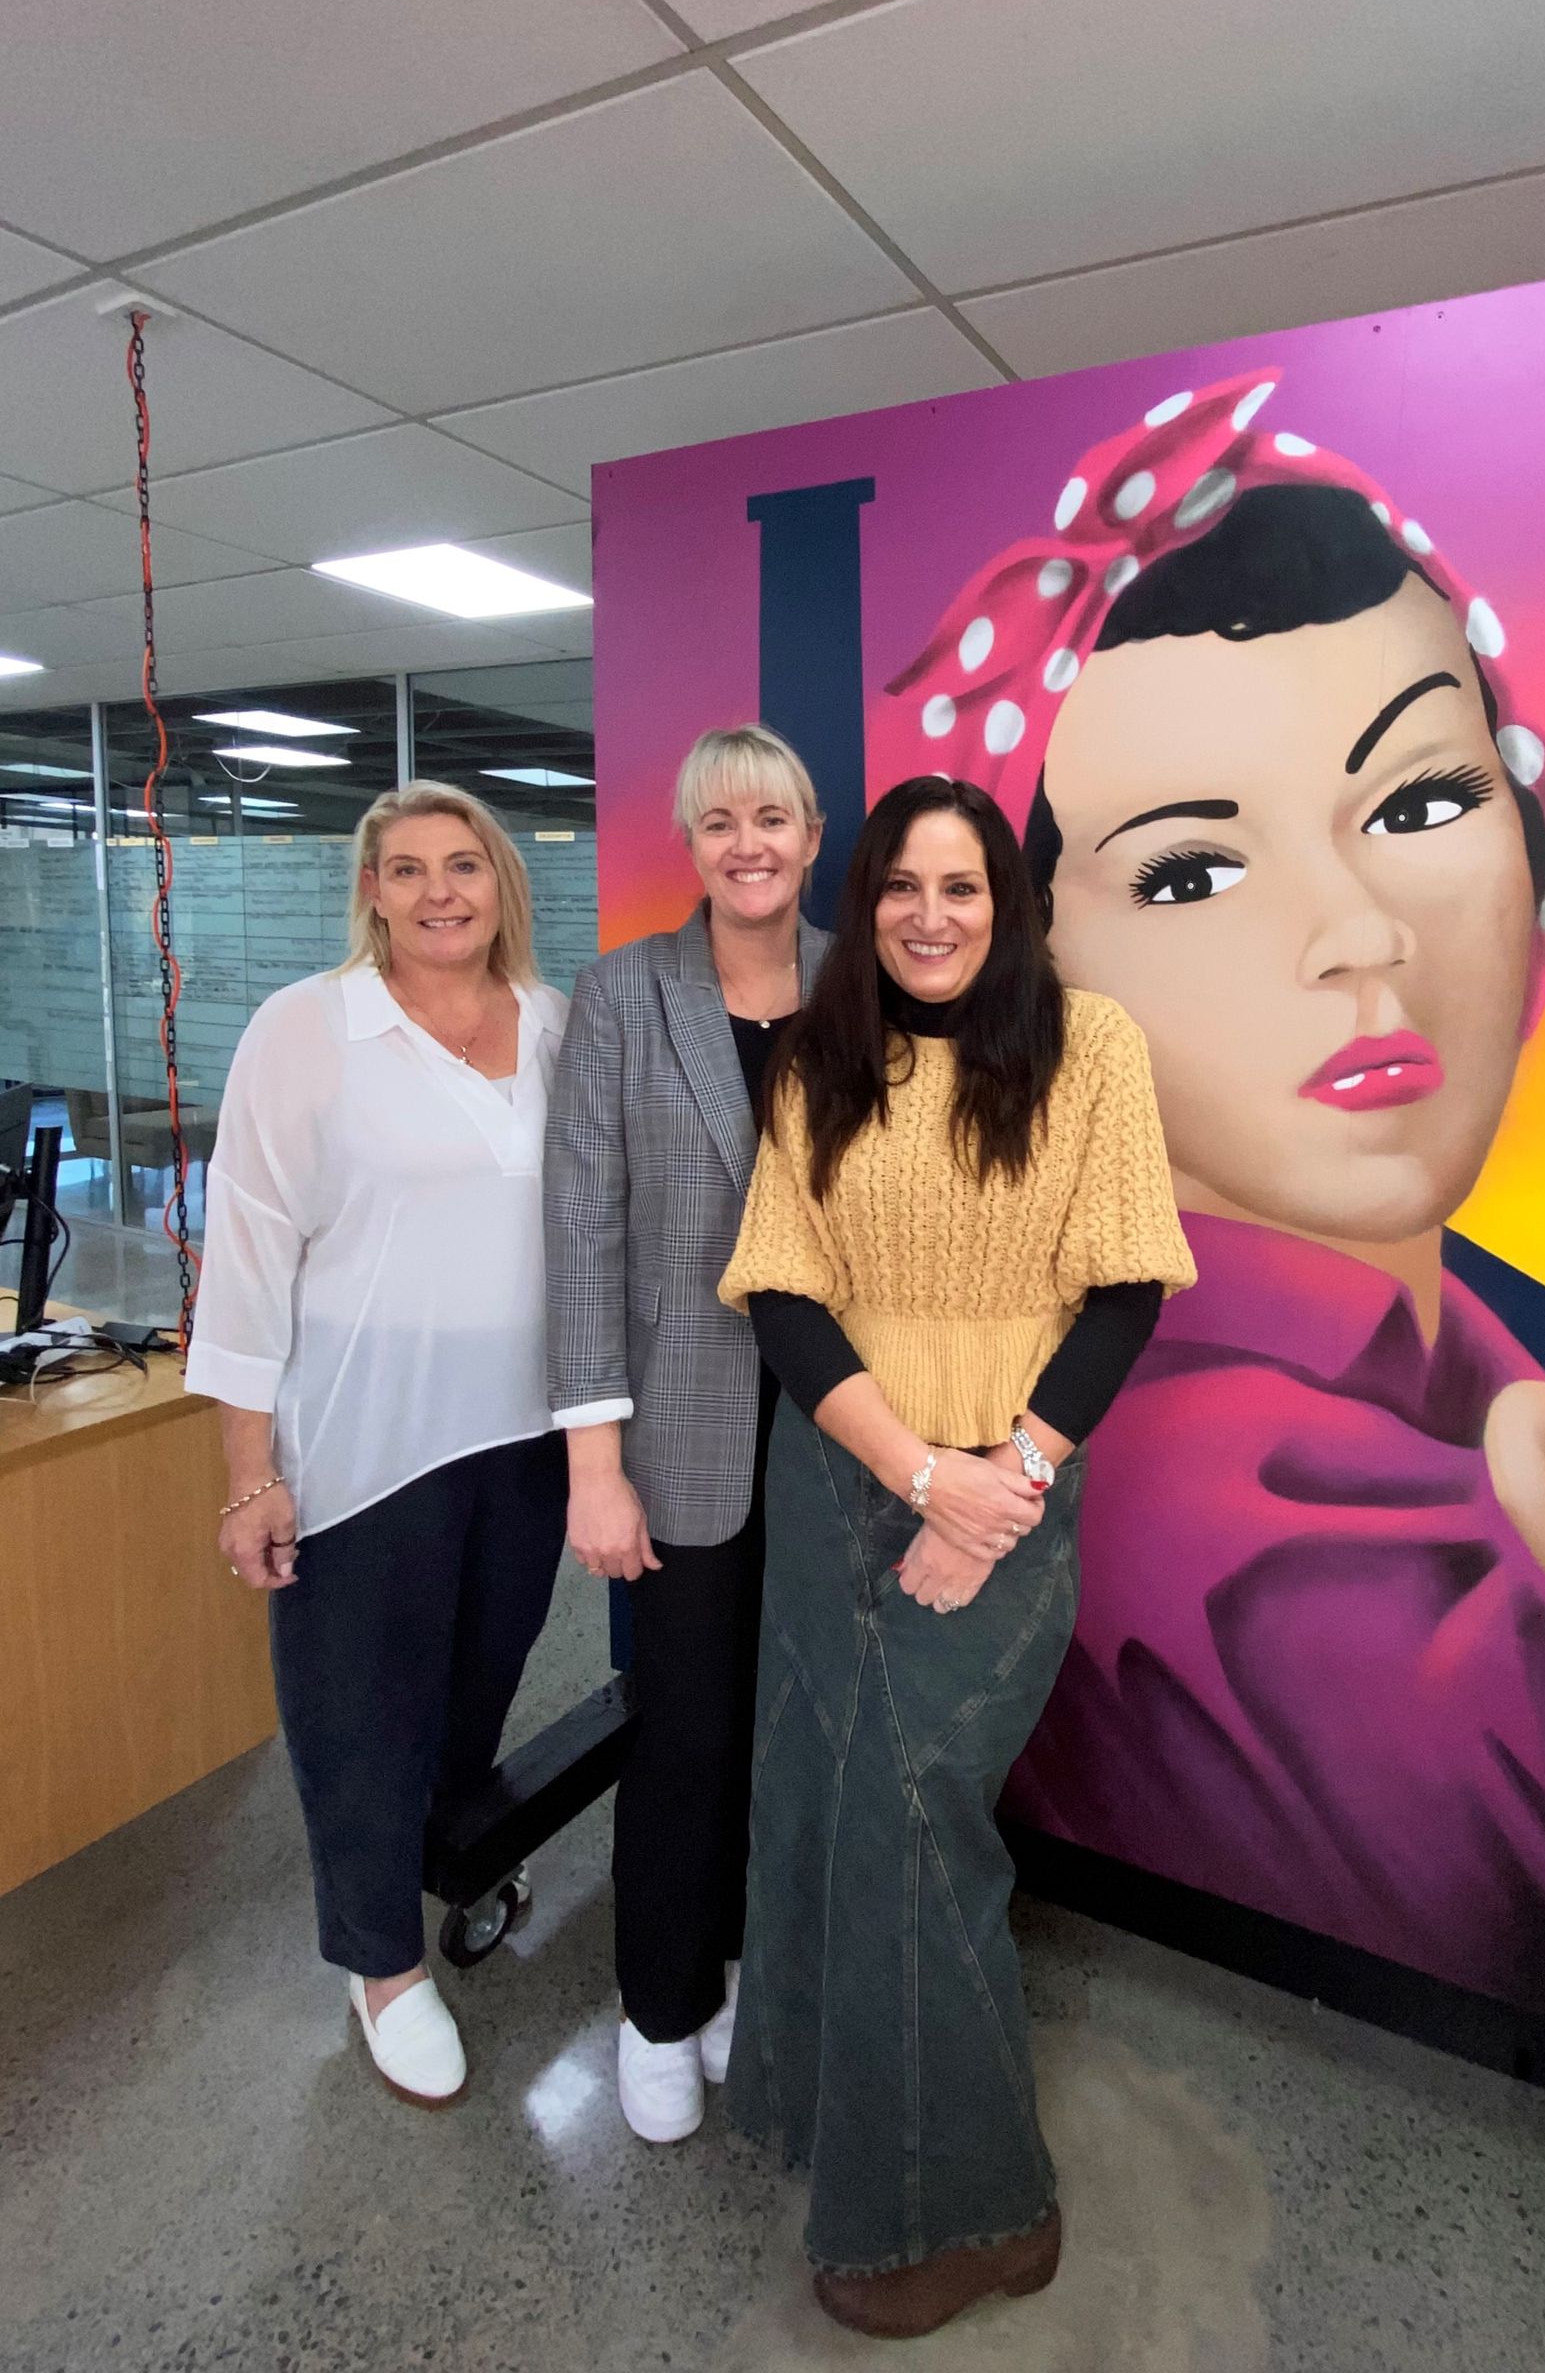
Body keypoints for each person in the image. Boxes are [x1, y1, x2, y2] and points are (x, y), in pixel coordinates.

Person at [886, 371, 1545, 2091]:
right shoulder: (1194, 1478)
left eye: (1423, 803)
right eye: (1191, 873)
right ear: (1043, 988)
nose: (1361, 931)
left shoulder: (1484, 1333)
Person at [717, 772, 1194, 2339]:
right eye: (904, 887)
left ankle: (982, 2213)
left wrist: (999, 1485)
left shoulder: (1091, 1048)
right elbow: (786, 1292)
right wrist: (915, 1473)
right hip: (844, 1471)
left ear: (1010, 905)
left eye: (964, 887)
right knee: (816, 1797)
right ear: (868, 904)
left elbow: (1125, 1292)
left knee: (917, 1823)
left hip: (1009, 1481)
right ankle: (826, 2114)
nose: (932, 916)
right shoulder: (821, 1060)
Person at [188, 780, 571, 2107]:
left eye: (463, 864)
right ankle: (380, 1963)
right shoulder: (308, 1030)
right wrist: (250, 1472)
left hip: (521, 1437)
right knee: (358, 1710)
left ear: (500, 884)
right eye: (405, 869)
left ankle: (450, 1857)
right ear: (371, 892)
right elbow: (247, 1260)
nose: (437, 891)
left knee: (477, 1686)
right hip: (365, 1443)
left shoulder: (553, 1023)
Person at [543, 724, 829, 2143]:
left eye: (770, 817)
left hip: (844, 1434)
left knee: (799, 1728)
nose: (746, 843)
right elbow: (583, 1233)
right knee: (687, 1734)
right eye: (719, 821)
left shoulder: (865, 985)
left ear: (812, 836)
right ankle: (662, 2002)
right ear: (693, 845)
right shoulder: (624, 993)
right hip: (684, 1435)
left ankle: (753, 1972)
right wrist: (594, 1466)